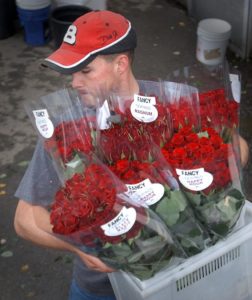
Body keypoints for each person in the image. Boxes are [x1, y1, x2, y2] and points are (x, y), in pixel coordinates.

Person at [14, 10, 249, 300]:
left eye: (85, 71)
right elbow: (24, 220)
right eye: (71, 72)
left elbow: (239, 148)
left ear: (120, 64)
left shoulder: (174, 102)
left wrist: (209, 182)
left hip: (182, 278)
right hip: (102, 287)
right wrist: (78, 249)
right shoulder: (66, 134)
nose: (74, 83)